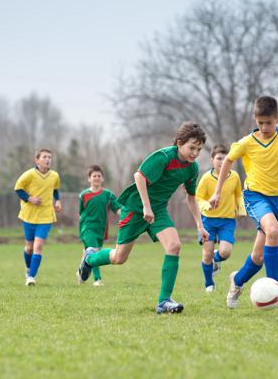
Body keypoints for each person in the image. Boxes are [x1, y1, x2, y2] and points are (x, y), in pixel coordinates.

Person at [78, 122, 209, 314]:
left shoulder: (191, 168)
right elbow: (139, 177)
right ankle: (90, 258)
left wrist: (200, 224)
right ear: (179, 143)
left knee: (174, 246)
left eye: (199, 149)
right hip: (135, 209)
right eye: (192, 148)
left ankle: (164, 301)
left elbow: (191, 196)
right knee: (119, 257)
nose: (195, 153)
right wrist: (146, 206)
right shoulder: (163, 157)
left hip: (158, 211)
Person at [209, 96, 278, 309]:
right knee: (273, 232)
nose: (264, 127)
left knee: (258, 257)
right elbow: (228, 161)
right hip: (255, 196)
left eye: (269, 123)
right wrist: (217, 192)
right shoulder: (247, 142)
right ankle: (276, 289)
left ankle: (236, 281)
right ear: (255, 119)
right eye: (260, 123)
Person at [195, 144, 245, 292]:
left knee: (225, 252)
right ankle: (209, 284)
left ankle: (216, 259)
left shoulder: (234, 176)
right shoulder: (206, 178)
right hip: (208, 221)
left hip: (227, 221)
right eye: (219, 158)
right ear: (212, 160)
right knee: (206, 253)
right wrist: (206, 206)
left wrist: (241, 209)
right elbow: (198, 198)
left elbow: (238, 195)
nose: (222, 162)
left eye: (226, 159)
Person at [14, 149, 61, 286]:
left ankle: (31, 277)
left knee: (38, 245)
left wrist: (57, 201)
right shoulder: (29, 175)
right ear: (37, 160)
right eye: (44, 157)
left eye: (49, 157)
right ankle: (28, 268)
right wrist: (29, 198)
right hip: (29, 216)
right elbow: (18, 189)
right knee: (29, 247)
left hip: (46, 216)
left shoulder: (54, 176)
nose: (48, 160)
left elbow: (55, 189)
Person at [77, 165, 121, 286]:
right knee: (94, 251)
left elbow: (117, 208)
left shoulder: (108, 194)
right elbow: (81, 212)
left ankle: (81, 272)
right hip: (87, 228)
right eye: (94, 176)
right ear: (89, 179)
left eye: (99, 176)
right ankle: (97, 279)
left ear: (102, 179)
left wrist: (125, 215)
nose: (96, 178)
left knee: (90, 252)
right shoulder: (83, 195)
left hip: (101, 229)